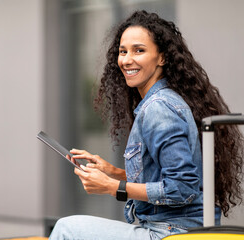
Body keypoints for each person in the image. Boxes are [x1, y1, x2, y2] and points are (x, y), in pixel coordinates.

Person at [49, 10, 244, 240]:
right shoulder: (161, 102)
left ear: (162, 57)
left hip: (172, 232)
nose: (126, 59)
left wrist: (113, 187)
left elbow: (182, 188)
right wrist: (112, 173)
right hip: (173, 227)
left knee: (65, 228)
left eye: (138, 50)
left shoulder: (158, 108)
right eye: (123, 51)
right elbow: (166, 180)